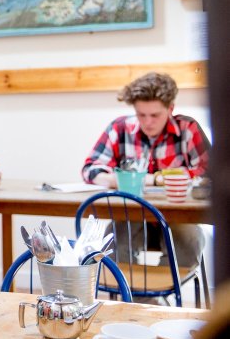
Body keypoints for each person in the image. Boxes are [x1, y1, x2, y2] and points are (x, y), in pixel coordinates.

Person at [82, 71, 210, 269]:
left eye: (155, 115)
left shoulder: (188, 128)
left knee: (189, 243)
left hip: (177, 216)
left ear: (170, 108)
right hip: (131, 214)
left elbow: (208, 172)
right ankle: (135, 299)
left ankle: (163, 294)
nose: (148, 122)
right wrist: (148, 180)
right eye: (141, 115)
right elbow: (90, 169)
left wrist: (150, 178)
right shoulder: (120, 129)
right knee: (111, 243)